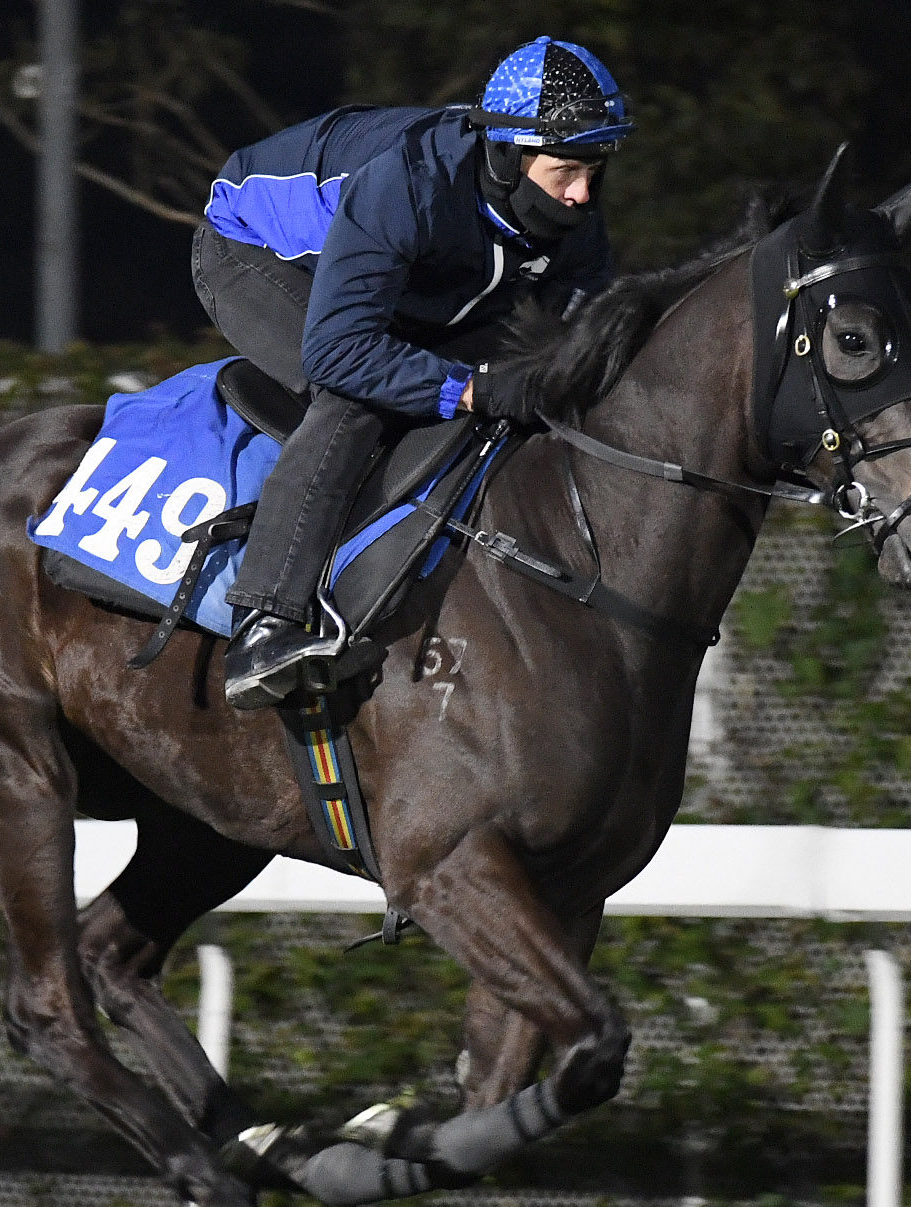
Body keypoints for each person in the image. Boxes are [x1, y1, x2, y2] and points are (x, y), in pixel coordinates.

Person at [190, 36, 635, 709]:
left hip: (402, 280)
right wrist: (474, 388)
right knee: (356, 396)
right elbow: (339, 351)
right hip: (253, 251)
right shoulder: (408, 184)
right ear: (510, 158)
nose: (581, 195)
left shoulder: (576, 226)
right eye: (566, 172)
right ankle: (265, 621)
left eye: (595, 171)